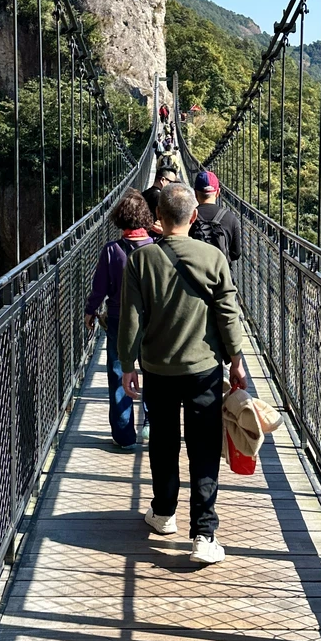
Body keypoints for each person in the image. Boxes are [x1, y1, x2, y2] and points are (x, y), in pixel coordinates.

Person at [119, 182, 247, 564]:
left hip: (157, 370)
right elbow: (228, 314)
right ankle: (204, 534)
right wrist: (237, 359)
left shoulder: (140, 261)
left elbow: (130, 318)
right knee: (204, 447)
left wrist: (127, 365)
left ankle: (163, 513)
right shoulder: (212, 258)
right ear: (193, 217)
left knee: (162, 441)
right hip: (204, 369)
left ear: (156, 219)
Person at [85, 191, 154, 448]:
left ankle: (125, 435)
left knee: (118, 373)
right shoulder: (156, 249)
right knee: (154, 371)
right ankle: (151, 423)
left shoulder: (112, 251)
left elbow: (99, 287)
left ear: (119, 219)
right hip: (150, 321)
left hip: (117, 319)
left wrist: (90, 311)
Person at [189, 169, 241, 266]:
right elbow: (236, 253)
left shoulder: (188, 217)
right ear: (218, 192)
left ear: (195, 193)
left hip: (194, 276)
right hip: (221, 276)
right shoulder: (231, 218)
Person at [142, 160, 179, 228]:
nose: (173, 186)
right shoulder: (160, 198)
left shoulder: (144, 193)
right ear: (162, 180)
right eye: (171, 183)